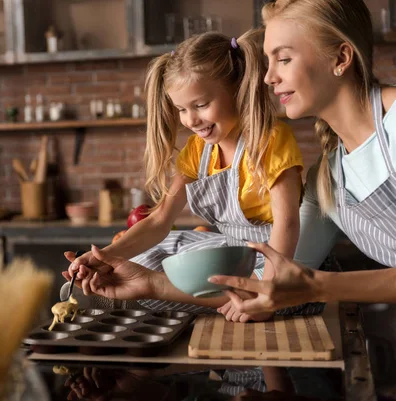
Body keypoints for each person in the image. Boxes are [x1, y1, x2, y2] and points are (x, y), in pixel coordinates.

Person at [65, 29, 307, 321]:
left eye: (201, 105)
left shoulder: (269, 140)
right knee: (152, 254)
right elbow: (158, 221)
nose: (191, 120)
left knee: (244, 291)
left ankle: (241, 299)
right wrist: (104, 256)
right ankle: (124, 292)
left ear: (238, 89)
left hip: (280, 257)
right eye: (181, 109)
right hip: (233, 252)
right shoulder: (197, 151)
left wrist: (267, 294)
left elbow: (289, 224)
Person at [209, 0, 396, 314]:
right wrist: (150, 283)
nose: (269, 77)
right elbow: (273, 281)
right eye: (269, 61)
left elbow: (306, 283)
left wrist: (319, 286)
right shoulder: (327, 177)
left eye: (283, 59)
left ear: (341, 57)